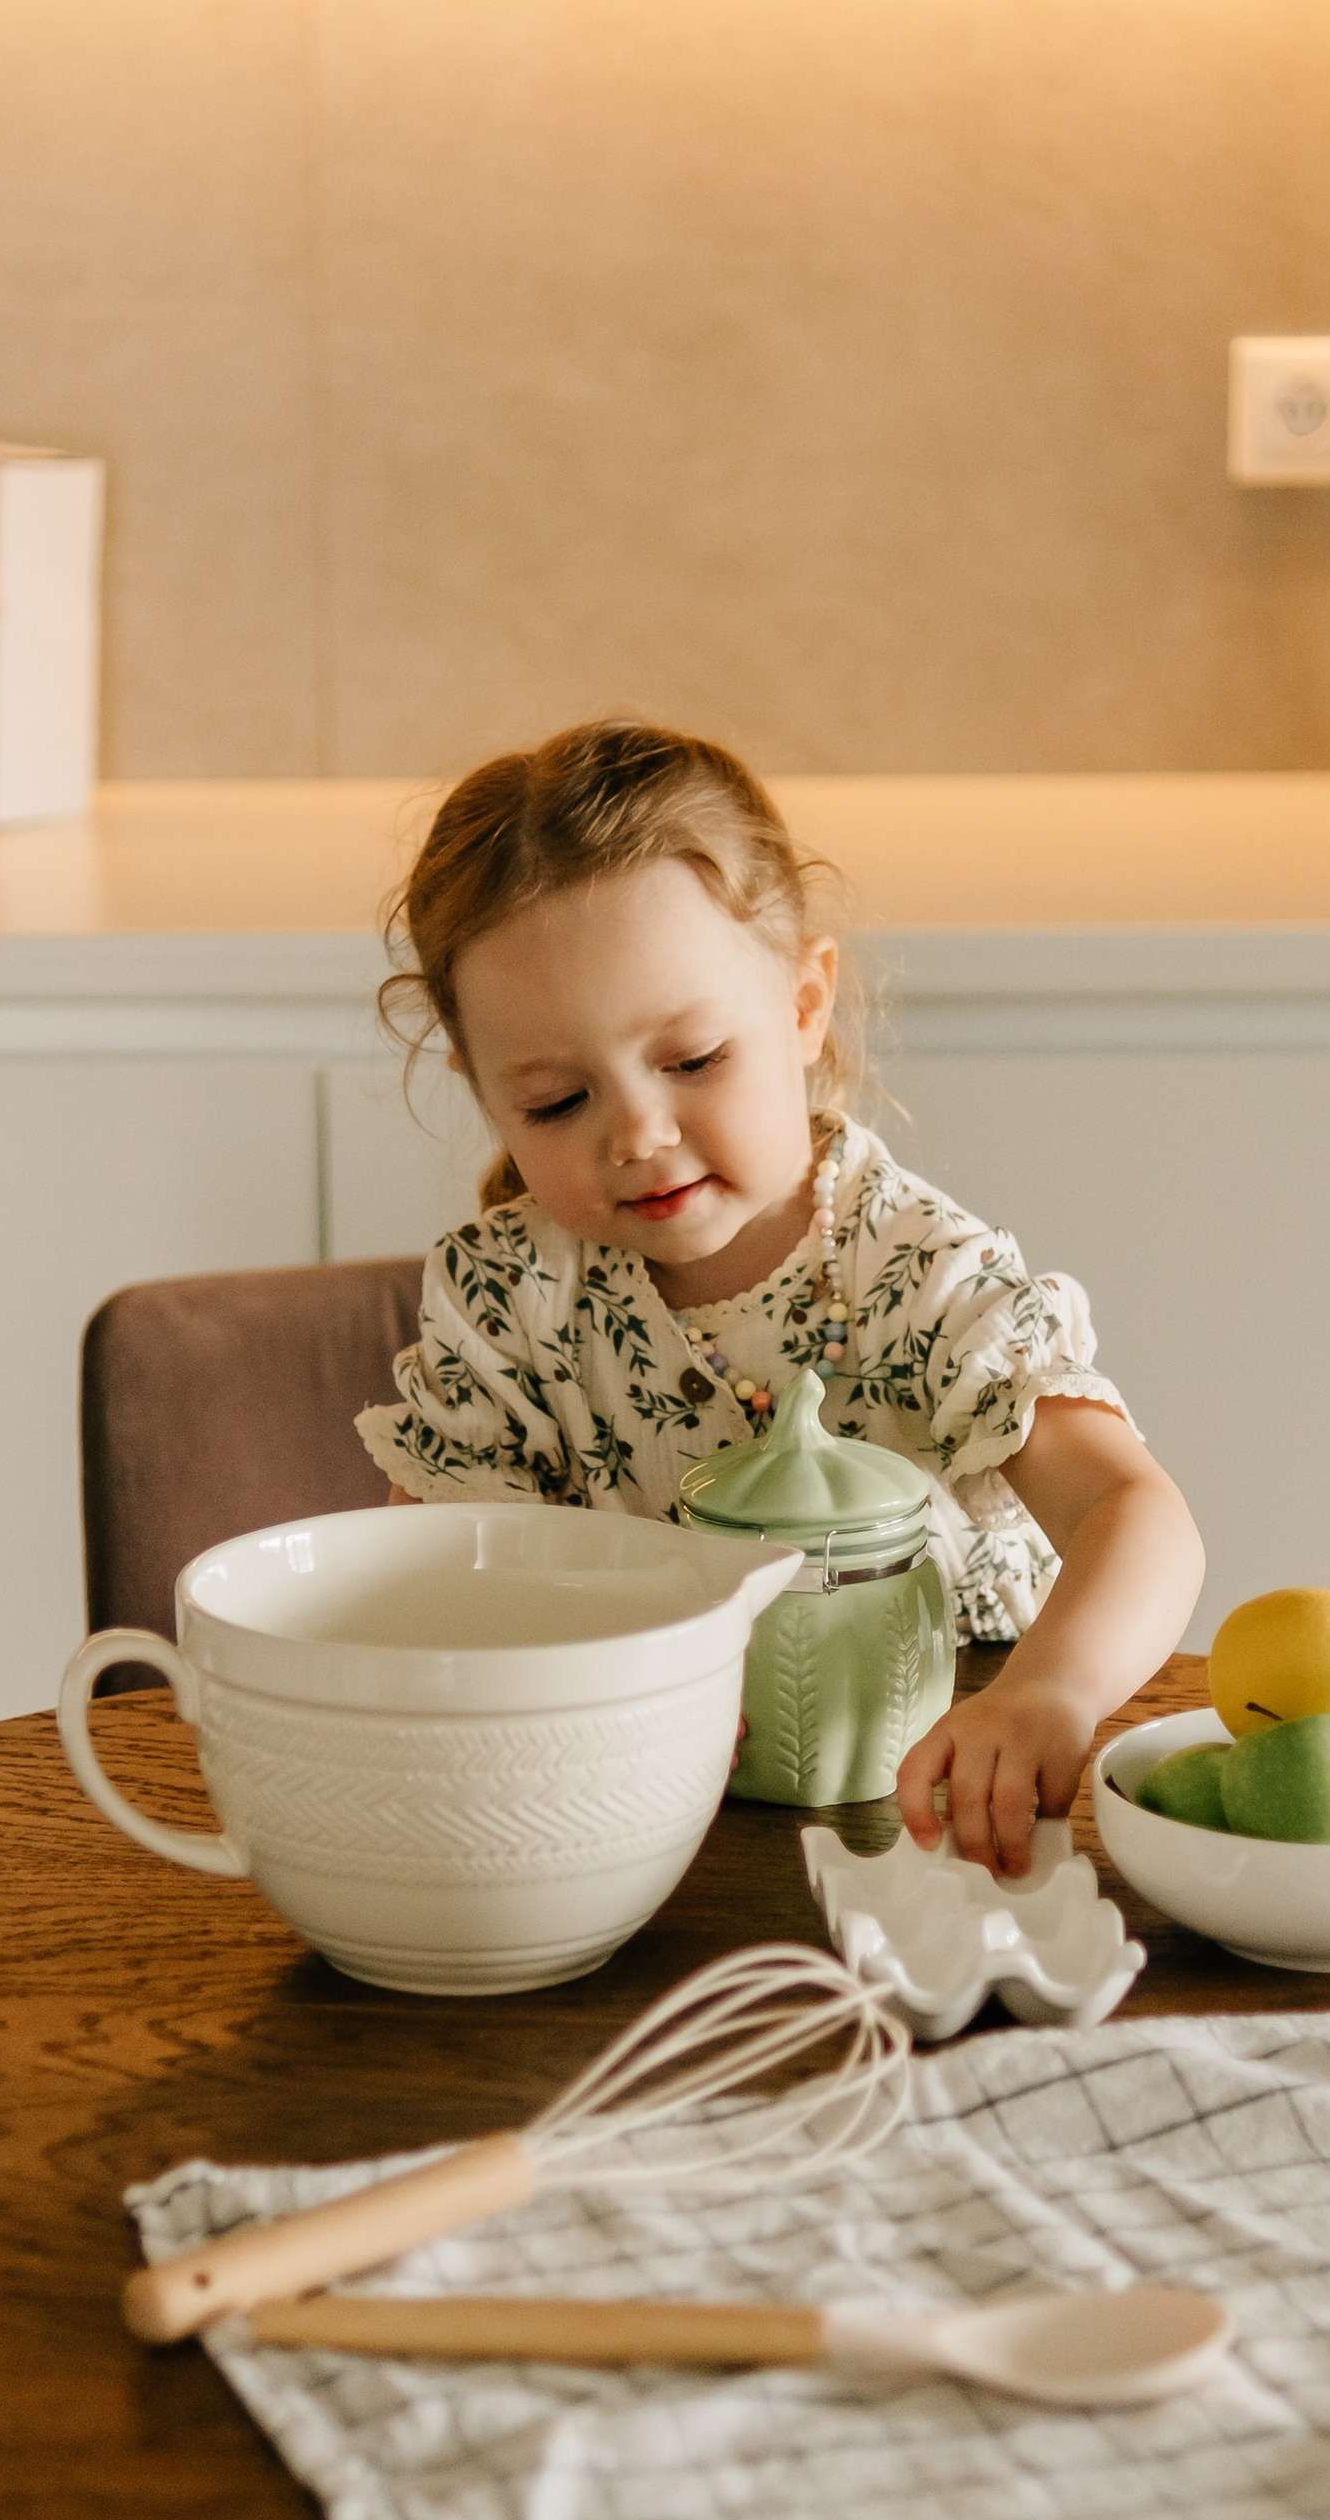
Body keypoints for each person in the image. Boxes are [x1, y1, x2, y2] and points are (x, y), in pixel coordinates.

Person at [359, 720, 1205, 1873]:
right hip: (634, 1838)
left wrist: (1047, 1697)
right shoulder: (509, 1300)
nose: (639, 1136)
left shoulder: (912, 1272)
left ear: (805, 1007)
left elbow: (1134, 1517)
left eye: (694, 1059)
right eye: (557, 1101)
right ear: (484, 1091)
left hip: (932, 1818)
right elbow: (435, 1584)